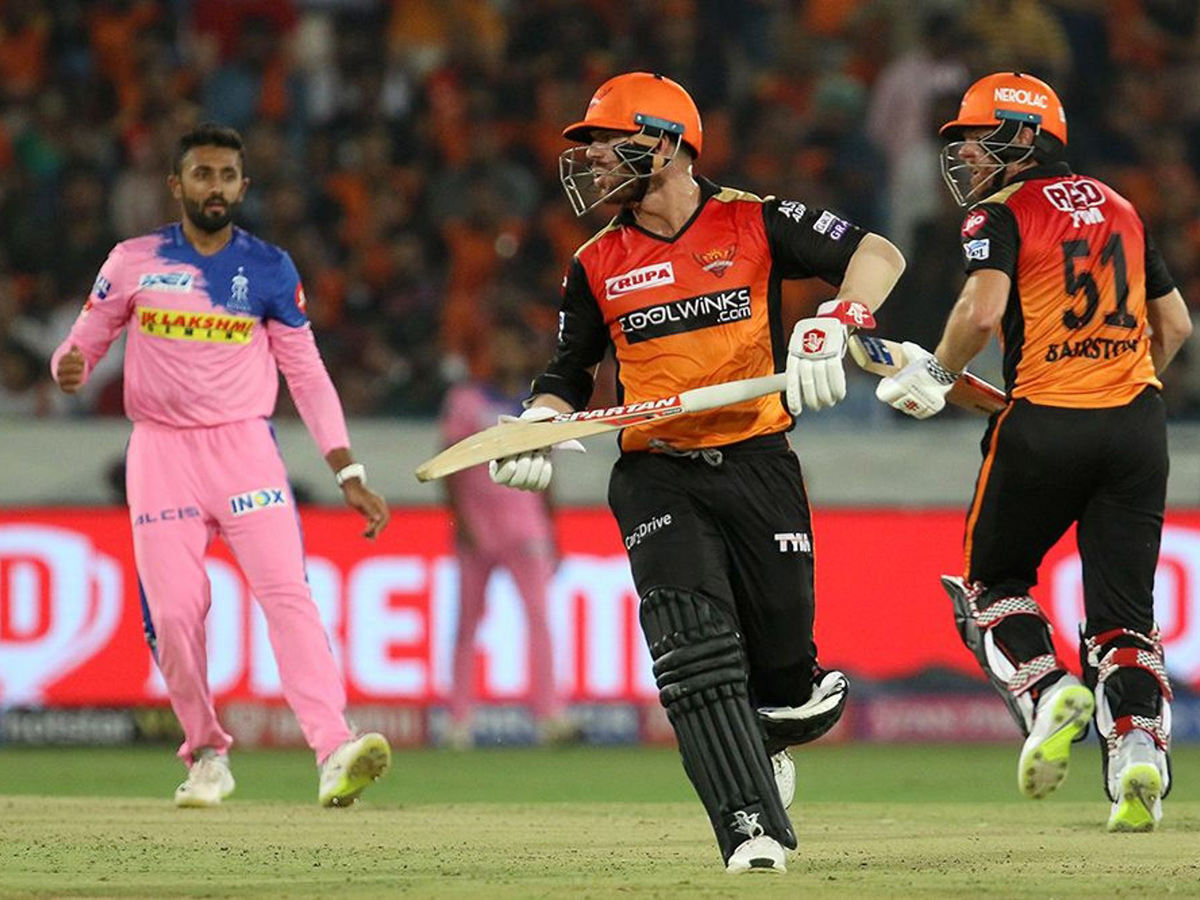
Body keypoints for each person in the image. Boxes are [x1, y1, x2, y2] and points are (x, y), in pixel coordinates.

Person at [489, 72, 906, 873]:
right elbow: (567, 374)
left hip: (758, 463)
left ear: (667, 144)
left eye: (609, 143)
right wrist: (538, 420)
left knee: (784, 674)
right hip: (657, 474)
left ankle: (772, 725)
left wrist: (839, 319)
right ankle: (748, 826)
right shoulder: (595, 261)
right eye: (590, 147)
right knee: (693, 653)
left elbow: (877, 254)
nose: (593, 160)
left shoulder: (755, 220)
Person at [876, 72, 1193, 832]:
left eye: (977, 139)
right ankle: (1138, 752)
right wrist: (1114, 380)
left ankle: (1050, 692)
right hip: (1136, 427)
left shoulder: (1000, 212)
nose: (965, 156)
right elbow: (1176, 326)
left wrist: (939, 373)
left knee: (991, 586)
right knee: (1124, 619)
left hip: (1044, 424)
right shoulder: (1121, 207)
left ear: (1024, 136)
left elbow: (982, 310)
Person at [51, 123, 394, 809]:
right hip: (161, 452)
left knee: (288, 597)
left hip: (245, 450)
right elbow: (84, 340)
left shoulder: (269, 268)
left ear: (243, 186)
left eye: (227, 176)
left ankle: (334, 749)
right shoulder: (134, 260)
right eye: (203, 174)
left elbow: (308, 374)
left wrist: (347, 470)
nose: (216, 187)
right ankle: (206, 754)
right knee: (175, 613)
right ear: (176, 185)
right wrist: (70, 364)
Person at [439, 322, 578, 747]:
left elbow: (547, 469)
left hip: (526, 527)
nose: (505, 355)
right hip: (478, 528)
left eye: (511, 347)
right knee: (467, 623)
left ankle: (551, 716)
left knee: (539, 619)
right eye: (498, 346)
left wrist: (552, 529)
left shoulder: (536, 406)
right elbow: (447, 463)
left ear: (524, 354)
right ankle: (459, 720)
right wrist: (461, 521)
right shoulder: (465, 400)